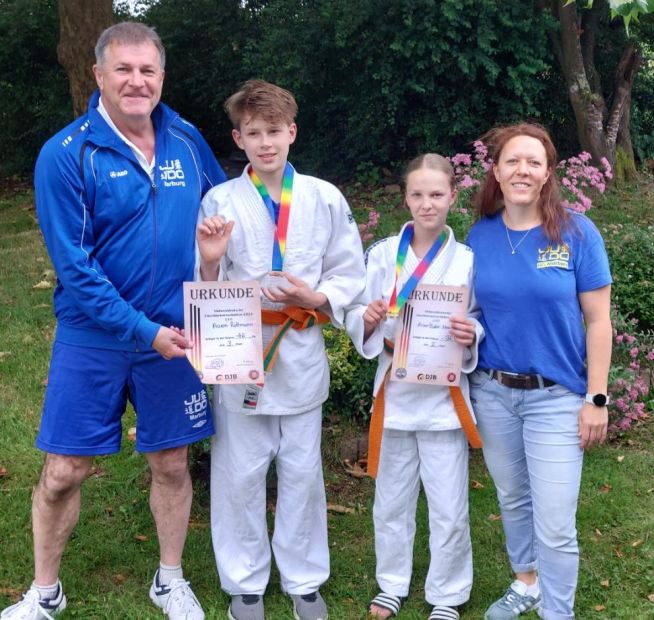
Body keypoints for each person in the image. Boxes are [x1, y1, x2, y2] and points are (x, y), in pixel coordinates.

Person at [1, 22, 227, 620]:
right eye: (122, 69)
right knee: (64, 470)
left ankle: (170, 579)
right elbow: (76, 269)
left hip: (174, 335)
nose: (136, 81)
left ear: (161, 77)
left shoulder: (186, 139)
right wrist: (142, 330)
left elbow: (230, 209)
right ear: (98, 75)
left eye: (147, 70)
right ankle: (44, 591)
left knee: (172, 462)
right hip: (95, 337)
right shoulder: (67, 153)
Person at [196, 79, 366, 620]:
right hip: (241, 352)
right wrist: (209, 258)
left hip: (299, 345)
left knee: (301, 471)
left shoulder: (323, 197)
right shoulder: (220, 199)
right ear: (237, 138)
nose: (265, 142)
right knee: (240, 473)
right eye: (253, 133)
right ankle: (245, 583)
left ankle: (304, 578)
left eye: (274, 131)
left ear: (291, 132)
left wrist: (315, 296)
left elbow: (349, 271)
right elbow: (205, 286)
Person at [465, 123, 612, 620]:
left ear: (548, 173)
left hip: (557, 398)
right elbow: (474, 312)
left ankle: (558, 612)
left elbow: (598, 321)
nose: (522, 170)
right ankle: (526, 581)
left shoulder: (576, 232)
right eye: (512, 161)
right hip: (493, 393)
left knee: (554, 520)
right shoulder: (479, 235)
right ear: (496, 171)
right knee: (512, 499)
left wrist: (596, 398)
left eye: (533, 161)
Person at [344, 154, 483, 620]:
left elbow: (480, 318)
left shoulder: (466, 260)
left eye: (437, 194)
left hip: (444, 399)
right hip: (396, 392)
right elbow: (358, 309)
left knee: (448, 504)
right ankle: (392, 583)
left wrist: (472, 335)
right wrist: (363, 320)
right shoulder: (383, 254)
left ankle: (447, 594)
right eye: (418, 194)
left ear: (452, 198)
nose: (427, 204)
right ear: (405, 197)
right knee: (391, 500)